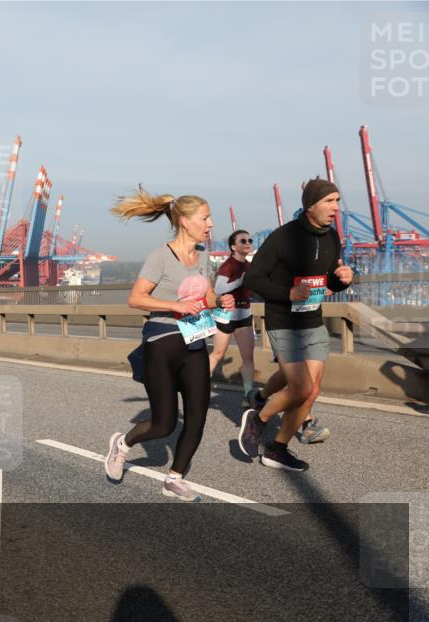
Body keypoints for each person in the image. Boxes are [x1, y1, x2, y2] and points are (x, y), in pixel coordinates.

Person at [104, 186, 235, 501]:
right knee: (163, 424)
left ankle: (174, 478)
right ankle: (122, 444)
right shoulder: (161, 256)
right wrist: (176, 306)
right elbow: (136, 298)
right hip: (162, 340)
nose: (210, 224)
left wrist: (220, 301)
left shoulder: (203, 255)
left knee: (197, 416)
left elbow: (204, 297)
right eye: (205, 218)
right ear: (185, 221)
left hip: (193, 339)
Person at [238, 179, 353, 471]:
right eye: (329, 201)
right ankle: (258, 418)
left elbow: (326, 282)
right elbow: (252, 279)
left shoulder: (332, 237)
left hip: (312, 320)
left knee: (311, 392)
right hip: (283, 322)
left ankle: (277, 449)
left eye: (337, 201)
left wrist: (342, 280)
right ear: (310, 204)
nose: (335, 208)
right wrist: (286, 292)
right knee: (300, 388)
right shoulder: (282, 237)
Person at [207, 230, 256, 403]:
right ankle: (199, 389)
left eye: (250, 240)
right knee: (218, 354)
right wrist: (240, 281)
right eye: (243, 241)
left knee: (248, 358)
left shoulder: (249, 265)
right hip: (226, 315)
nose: (248, 243)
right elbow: (218, 290)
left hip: (244, 314)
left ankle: (249, 395)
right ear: (233, 246)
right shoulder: (229, 265)